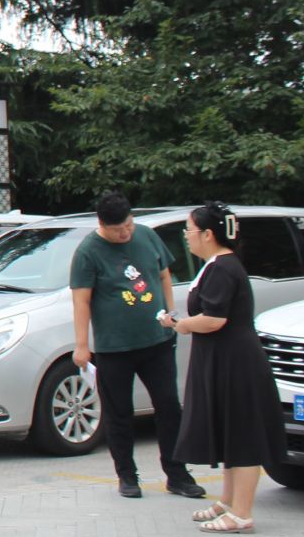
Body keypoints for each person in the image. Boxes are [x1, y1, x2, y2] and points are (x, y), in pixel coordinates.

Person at [70, 192, 206, 499]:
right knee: (119, 413)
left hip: (157, 341)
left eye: (128, 225)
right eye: (118, 230)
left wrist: (171, 313)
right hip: (114, 348)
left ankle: (177, 473)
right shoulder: (88, 252)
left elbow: (163, 275)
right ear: (101, 224)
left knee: (168, 406)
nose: (125, 233)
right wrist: (81, 345)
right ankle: (127, 475)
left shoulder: (146, 235)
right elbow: (81, 300)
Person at [164, 202, 286, 534]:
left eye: (189, 230)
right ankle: (229, 501)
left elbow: (215, 319)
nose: (186, 236)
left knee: (242, 435)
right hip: (222, 358)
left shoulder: (223, 268)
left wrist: (181, 324)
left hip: (235, 362)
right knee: (230, 432)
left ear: (208, 234)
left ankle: (242, 513)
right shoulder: (217, 265)